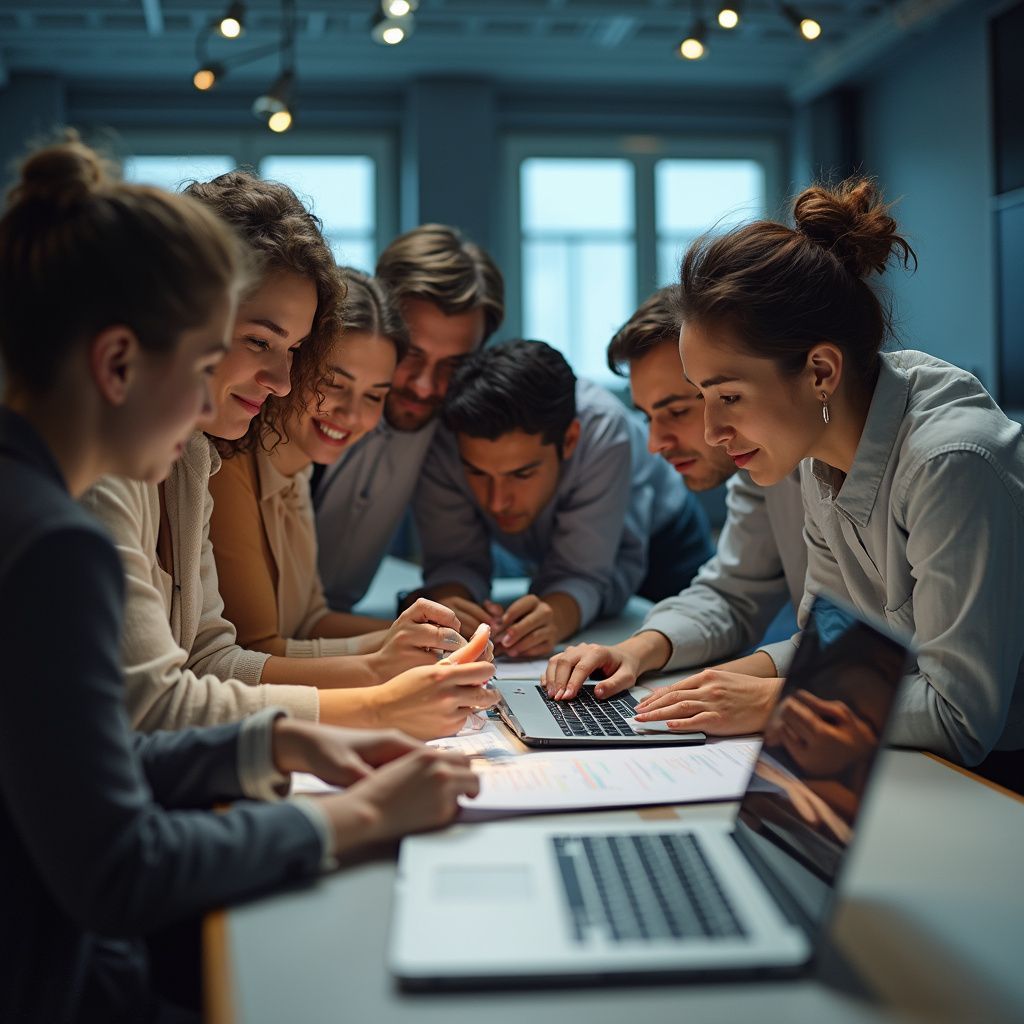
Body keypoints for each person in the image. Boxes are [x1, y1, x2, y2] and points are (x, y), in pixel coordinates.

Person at [0, 137, 481, 1024]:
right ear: (116, 364)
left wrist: (273, 744)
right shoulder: (51, 537)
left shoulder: (62, 489)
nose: (277, 388)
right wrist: (359, 815)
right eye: (211, 359)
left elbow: (96, 745)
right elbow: (120, 867)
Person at [632, 177, 1024, 779]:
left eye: (729, 396)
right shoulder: (819, 451)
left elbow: (958, 716)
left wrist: (771, 698)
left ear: (820, 371)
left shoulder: (950, 461)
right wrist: (713, 682)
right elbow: (832, 649)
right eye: (704, 397)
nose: (713, 431)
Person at [82, 173, 497, 739]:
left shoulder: (193, 458)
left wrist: (382, 670)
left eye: (295, 351)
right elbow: (151, 705)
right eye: (259, 341)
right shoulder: (100, 465)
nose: (283, 381)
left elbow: (209, 659)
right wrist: (378, 705)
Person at [542, 287, 806, 708]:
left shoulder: (933, 453)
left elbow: (869, 646)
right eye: (648, 417)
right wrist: (636, 651)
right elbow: (732, 596)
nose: (655, 444)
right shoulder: (763, 475)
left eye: (678, 411)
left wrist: (763, 686)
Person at [209, 268, 473, 665]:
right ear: (297, 362)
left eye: (374, 396)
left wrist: (433, 636)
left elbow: (311, 619)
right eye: (334, 383)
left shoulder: (293, 468)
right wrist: (386, 653)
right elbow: (257, 649)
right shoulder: (228, 467)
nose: (352, 414)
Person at [415, 339, 714, 656]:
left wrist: (553, 619)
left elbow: (584, 574)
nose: (496, 503)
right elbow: (454, 561)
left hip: (665, 547)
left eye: (522, 474)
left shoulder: (602, 429)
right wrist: (450, 609)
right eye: (477, 473)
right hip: (567, 562)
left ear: (570, 439)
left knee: (690, 650)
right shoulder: (446, 435)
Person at [313, 224, 505, 611]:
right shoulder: (303, 403)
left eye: (454, 364)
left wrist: (453, 603)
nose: (424, 387)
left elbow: (458, 558)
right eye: (413, 354)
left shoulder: (451, 429)